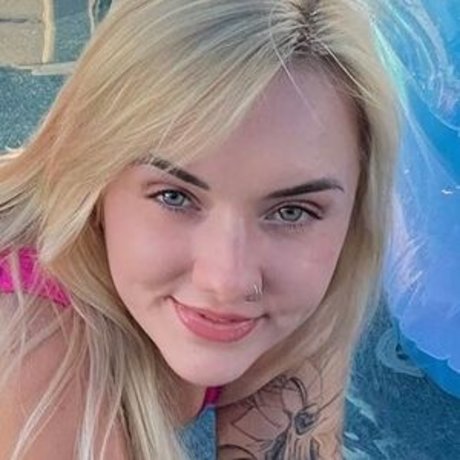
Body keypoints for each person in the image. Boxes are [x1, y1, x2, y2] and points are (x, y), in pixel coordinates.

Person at [0, 0, 399, 459]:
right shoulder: (33, 354)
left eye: (292, 211)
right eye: (174, 197)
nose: (228, 281)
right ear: (92, 179)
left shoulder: (310, 281)